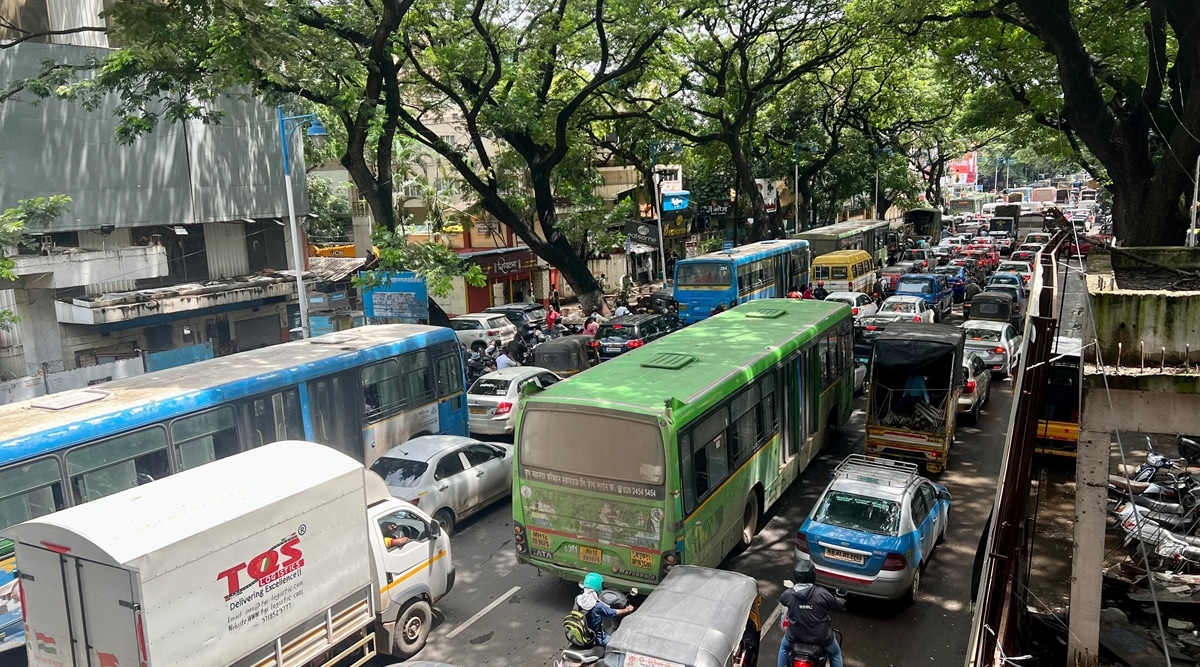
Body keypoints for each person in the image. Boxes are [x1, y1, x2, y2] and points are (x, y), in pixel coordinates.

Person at [778, 560, 845, 667]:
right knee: (835, 654)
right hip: (821, 638)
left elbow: (783, 600)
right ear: (812, 576)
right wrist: (841, 601)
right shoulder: (821, 593)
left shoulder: (788, 594)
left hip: (795, 636)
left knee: (784, 648)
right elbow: (836, 605)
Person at [575, 572, 634, 647]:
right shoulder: (597, 606)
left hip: (582, 634)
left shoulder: (578, 599)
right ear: (598, 586)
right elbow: (613, 613)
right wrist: (627, 609)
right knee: (620, 645)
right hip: (597, 639)